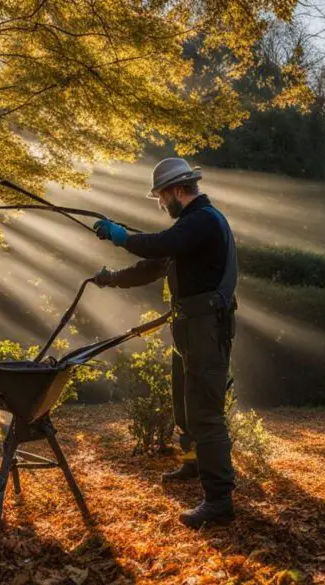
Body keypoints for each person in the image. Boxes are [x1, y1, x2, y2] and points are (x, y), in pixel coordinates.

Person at [92, 157, 238, 529]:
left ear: (177, 191)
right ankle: (193, 464)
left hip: (206, 329)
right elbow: (151, 268)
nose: (160, 204)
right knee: (185, 408)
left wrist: (120, 235)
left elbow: (160, 245)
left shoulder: (204, 221)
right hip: (189, 328)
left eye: (160, 197)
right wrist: (110, 278)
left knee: (205, 413)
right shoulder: (189, 228)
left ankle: (219, 501)